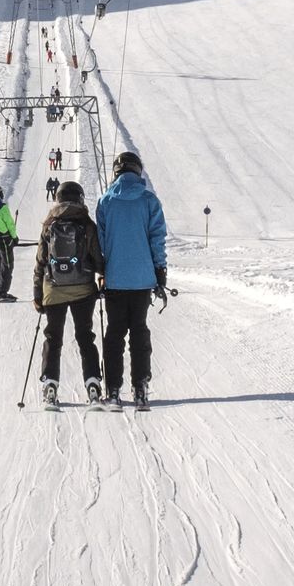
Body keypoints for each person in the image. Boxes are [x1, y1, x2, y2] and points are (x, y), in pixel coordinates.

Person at [95, 151, 169, 408]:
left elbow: (101, 242)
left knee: (114, 333)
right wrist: (160, 270)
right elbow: (156, 238)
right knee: (139, 331)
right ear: (138, 171)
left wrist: (103, 271)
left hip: (115, 278)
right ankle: (141, 389)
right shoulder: (149, 200)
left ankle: (113, 391)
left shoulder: (106, 201)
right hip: (141, 279)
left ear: (116, 172)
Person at [31, 180, 104, 407]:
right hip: (83, 289)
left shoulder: (50, 224)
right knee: (85, 337)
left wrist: (37, 293)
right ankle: (93, 385)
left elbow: (41, 262)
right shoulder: (87, 224)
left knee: (53, 338)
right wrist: (102, 277)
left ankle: (50, 385)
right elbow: (98, 259)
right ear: (80, 198)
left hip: (53, 290)